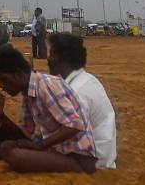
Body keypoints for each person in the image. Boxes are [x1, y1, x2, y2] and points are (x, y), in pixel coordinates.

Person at [0, 44, 97, 174]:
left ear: (18, 73)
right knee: (6, 147)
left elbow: (74, 125)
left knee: (14, 155)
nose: (2, 85)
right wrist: (1, 114)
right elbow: (24, 134)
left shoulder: (47, 86)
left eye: (4, 79)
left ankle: (72, 169)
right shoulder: (28, 93)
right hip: (58, 150)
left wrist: (40, 145)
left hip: (78, 158)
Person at [48, 32, 117, 169]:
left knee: (18, 155)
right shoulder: (86, 79)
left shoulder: (76, 91)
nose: (48, 59)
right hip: (100, 152)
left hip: (92, 160)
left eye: (52, 55)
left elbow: (70, 133)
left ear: (64, 58)